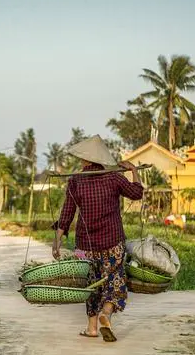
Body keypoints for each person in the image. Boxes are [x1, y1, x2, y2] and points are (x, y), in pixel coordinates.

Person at [51, 135, 144, 342]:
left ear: (85, 160)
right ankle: (106, 313)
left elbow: (66, 214)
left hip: (85, 245)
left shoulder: (76, 181)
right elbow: (137, 193)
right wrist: (134, 171)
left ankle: (92, 327)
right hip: (112, 241)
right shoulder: (113, 177)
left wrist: (57, 241)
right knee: (115, 279)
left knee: (90, 283)